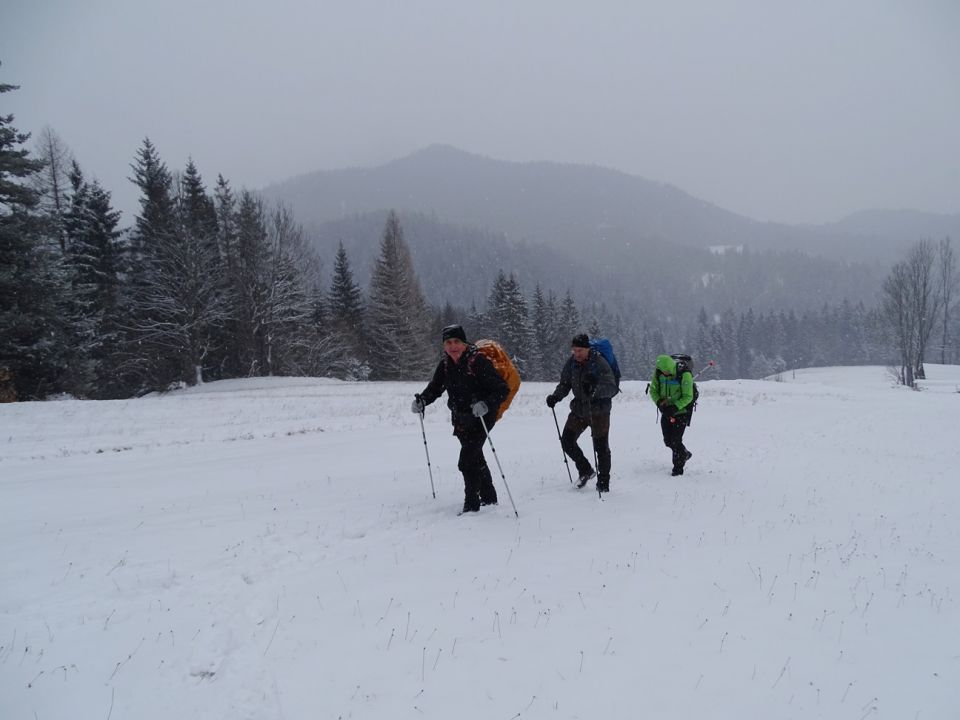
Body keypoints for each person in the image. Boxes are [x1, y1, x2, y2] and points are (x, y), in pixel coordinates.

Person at [412, 324, 510, 514]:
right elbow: (435, 387)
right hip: (461, 419)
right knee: (475, 456)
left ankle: (471, 504)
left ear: (464, 343)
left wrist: (485, 404)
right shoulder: (446, 364)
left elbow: (502, 389)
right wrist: (423, 401)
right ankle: (489, 497)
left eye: (456, 341)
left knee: (466, 461)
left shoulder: (478, 361)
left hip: (482, 417)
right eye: (448, 342)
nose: (452, 346)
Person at [545, 333, 619, 492]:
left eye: (580, 350)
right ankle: (585, 470)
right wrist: (556, 397)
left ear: (587, 349)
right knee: (567, 441)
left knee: (601, 448)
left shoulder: (599, 362)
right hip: (579, 409)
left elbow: (612, 388)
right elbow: (565, 383)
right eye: (574, 350)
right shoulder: (572, 363)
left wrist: (594, 390)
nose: (576, 354)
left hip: (600, 411)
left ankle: (604, 483)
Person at [648, 354, 695, 476]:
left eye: (668, 372)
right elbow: (653, 390)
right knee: (668, 441)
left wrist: (675, 407)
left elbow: (688, 397)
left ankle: (678, 469)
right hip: (666, 411)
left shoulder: (684, 374)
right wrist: (659, 402)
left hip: (681, 412)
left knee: (675, 440)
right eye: (663, 372)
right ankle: (684, 454)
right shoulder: (658, 373)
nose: (665, 374)